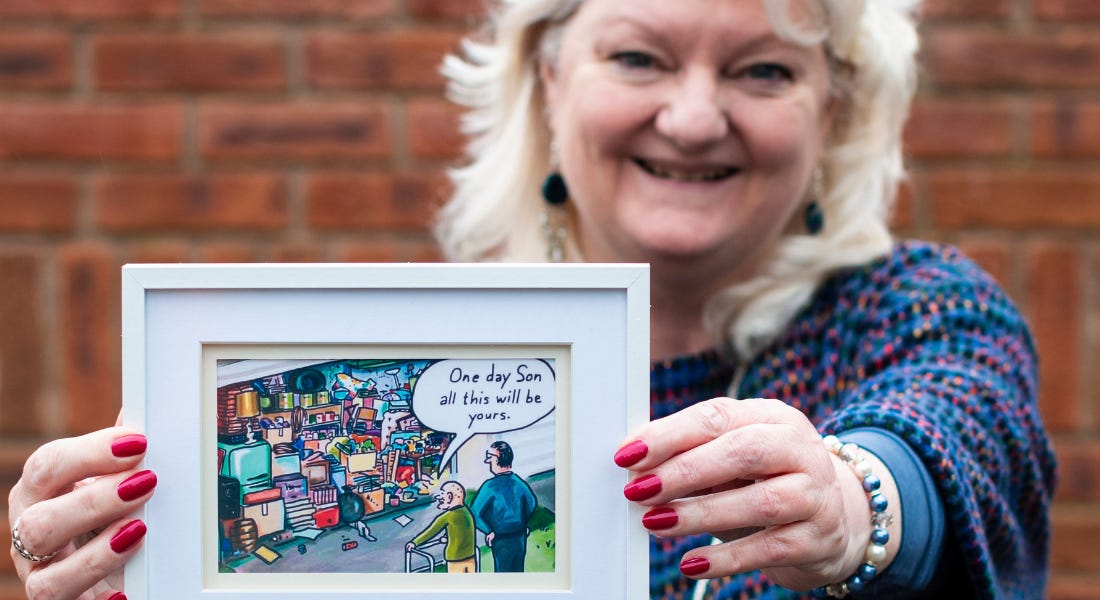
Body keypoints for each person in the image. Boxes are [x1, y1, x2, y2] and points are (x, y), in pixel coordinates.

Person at [7, 1, 1057, 599]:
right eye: (639, 57)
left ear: (833, 115)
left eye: (762, 72)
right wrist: (127, 556)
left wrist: (848, 504)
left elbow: (953, 442)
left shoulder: (924, 314)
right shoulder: (424, 355)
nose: (692, 120)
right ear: (547, 83)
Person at [470, 441, 538, 573]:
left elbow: (475, 512)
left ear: (497, 459)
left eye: (489, 456)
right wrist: (522, 523)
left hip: (501, 539)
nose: (487, 461)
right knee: (518, 572)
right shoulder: (519, 482)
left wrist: (488, 530)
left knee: (503, 574)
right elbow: (531, 503)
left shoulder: (489, 486)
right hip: (519, 536)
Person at [406, 481, 478, 573]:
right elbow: (462, 532)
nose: (438, 496)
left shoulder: (447, 516)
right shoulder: (466, 512)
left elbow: (430, 532)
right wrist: (447, 538)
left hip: (455, 558)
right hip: (471, 556)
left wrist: (414, 543)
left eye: (442, 492)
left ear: (449, 497)